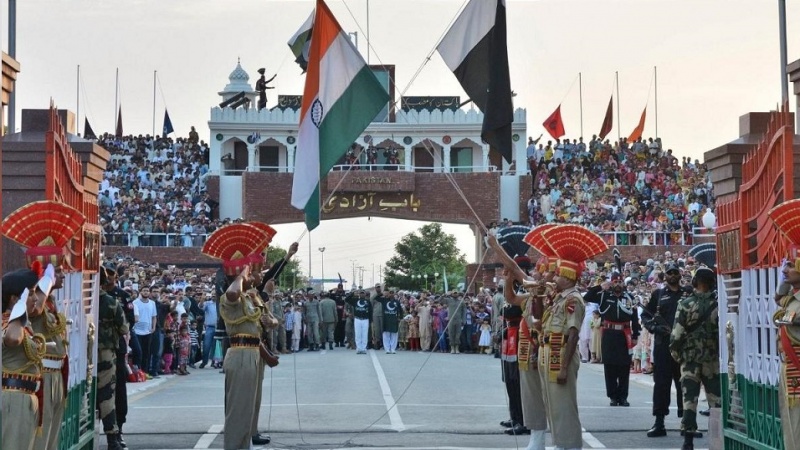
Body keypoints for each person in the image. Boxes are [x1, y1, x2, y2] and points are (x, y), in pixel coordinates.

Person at [538, 224, 608, 450]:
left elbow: (573, 335)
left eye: (558, 274)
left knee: (564, 405)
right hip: (551, 352)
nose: (554, 277)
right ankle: (561, 443)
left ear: (568, 277)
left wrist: (564, 367)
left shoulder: (573, 300)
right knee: (553, 404)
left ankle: (571, 445)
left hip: (562, 355)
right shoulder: (560, 297)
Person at [669, 267, 720, 450]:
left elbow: (676, 335)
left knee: (689, 400)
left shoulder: (686, 304)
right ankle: (717, 441)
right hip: (712, 359)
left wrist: (677, 355)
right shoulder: (718, 305)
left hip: (690, 360)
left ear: (696, 282)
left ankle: (688, 441)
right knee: (716, 402)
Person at [642, 263, 691, 437]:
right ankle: (659, 422)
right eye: (669, 273)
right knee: (661, 384)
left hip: (683, 346)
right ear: (665, 275)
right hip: (663, 346)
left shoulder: (688, 293)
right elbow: (645, 316)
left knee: (685, 384)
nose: (672, 276)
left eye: (675, 273)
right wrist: (654, 328)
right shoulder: (659, 294)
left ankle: (687, 422)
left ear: (680, 274)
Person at [1, 269, 48, 450]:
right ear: (15, 298)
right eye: (30, 294)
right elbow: (12, 339)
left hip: (27, 396)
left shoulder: (23, 325)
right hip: (14, 397)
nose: (35, 298)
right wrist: (18, 311)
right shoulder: (8, 321)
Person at [584, 272, 640, 407]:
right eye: (615, 282)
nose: (618, 284)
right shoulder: (604, 296)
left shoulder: (629, 298)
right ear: (611, 283)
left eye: (620, 282)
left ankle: (623, 396)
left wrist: (635, 335)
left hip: (624, 335)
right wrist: (600, 287)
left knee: (624, 366)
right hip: (609, 334)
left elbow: (634, 317)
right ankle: (613, 396)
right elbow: (588, 296)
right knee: (610, 366)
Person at [97, 264, 130, 450]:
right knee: (108, 395)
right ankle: (113, 438)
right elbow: (124, 327)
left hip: (85, 355)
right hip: (107, 353)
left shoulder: (82, 300)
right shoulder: (111, 302)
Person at [345, 290, 372, 354]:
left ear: (365, 294)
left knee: (364, 334)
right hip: (357, 319)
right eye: (361, 293)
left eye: (363, 293)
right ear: (359, 294)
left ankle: (364, 348)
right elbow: (346, 299)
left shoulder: (368, 301)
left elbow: (371, 311)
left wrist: (370, 321)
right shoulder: (355, 300)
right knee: (358, 334)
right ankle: (359, 348)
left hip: (365, 319)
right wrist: (352, 294)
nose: (362, 294)